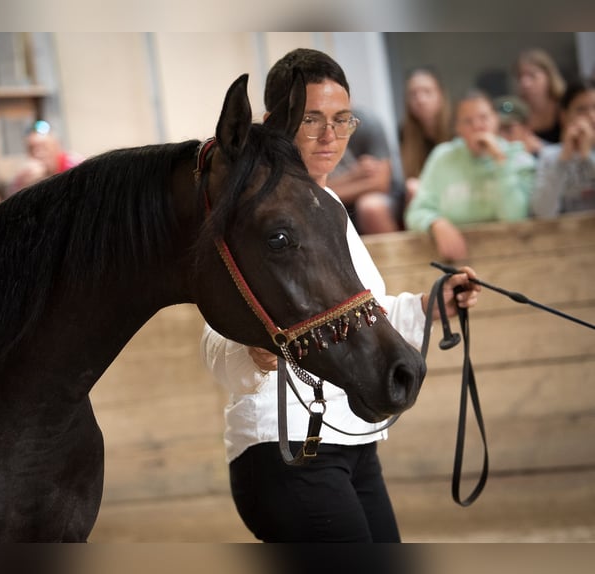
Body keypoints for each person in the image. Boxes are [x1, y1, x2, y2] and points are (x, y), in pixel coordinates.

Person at [199, 48, 481, 543]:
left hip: (352, 443)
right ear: (277, 122)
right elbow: (215, 332)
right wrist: (250, 349)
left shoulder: (326, 205)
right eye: (312, 120)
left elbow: (358, 312)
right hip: (285, 446)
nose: (331, 136)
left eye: (341, 119)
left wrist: (430, 305)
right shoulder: (259, 212)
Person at [404, 89, 537, 262]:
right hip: (456, 262)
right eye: (468, 121)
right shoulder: (442, 157)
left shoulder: (519, 158)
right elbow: (415, 212)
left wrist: (499, 162)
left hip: (512, 256)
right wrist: (436, 223)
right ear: (458, 128)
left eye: (484, 118)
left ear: (496, 120)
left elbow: (515, 217)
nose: (477, 126)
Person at [326, 107, 403, 234]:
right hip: (337, 205)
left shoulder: (367, 123)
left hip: (376, 202)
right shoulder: (309, 135)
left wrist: (329, 190)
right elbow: (311, 191)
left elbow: (381, 183)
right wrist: (353, 175)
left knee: (370, 207)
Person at [532, 78, 595, 217]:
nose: (591, 117)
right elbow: (542, 212)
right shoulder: (550, 155)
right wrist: (563, 160)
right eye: (581, 110)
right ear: (564, 116)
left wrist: (588, 157)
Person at [399, 67, 453, 205]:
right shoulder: (404, 132)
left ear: (441, 95)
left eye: (427, 92)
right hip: (423, 194)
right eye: (413, 94)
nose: (420, 99)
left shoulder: (457, 127)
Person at [8, 120, 83, 195]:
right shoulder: (23, 177)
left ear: (57, 147)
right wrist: (26, 187)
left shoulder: (74, 166)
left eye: (44, 147)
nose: (38, 154)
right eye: (32, 148)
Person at [514, 48, 567, 144]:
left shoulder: (564, 107)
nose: (525, 83)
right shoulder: (517, 113)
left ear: (548, 76)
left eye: (532, 75)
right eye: (520, 77)